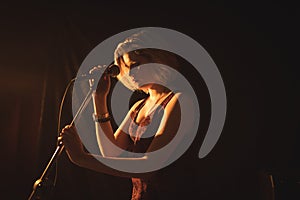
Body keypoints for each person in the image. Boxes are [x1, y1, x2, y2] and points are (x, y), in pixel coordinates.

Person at [60, 30, 198, 200]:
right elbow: (110, 153)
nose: (130, 74)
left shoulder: (179, 101)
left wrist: (82, 158)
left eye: (135, 65)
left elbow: (150, 166)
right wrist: (99, 98)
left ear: (156, 60)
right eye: (126, 69)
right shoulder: (139, 107)